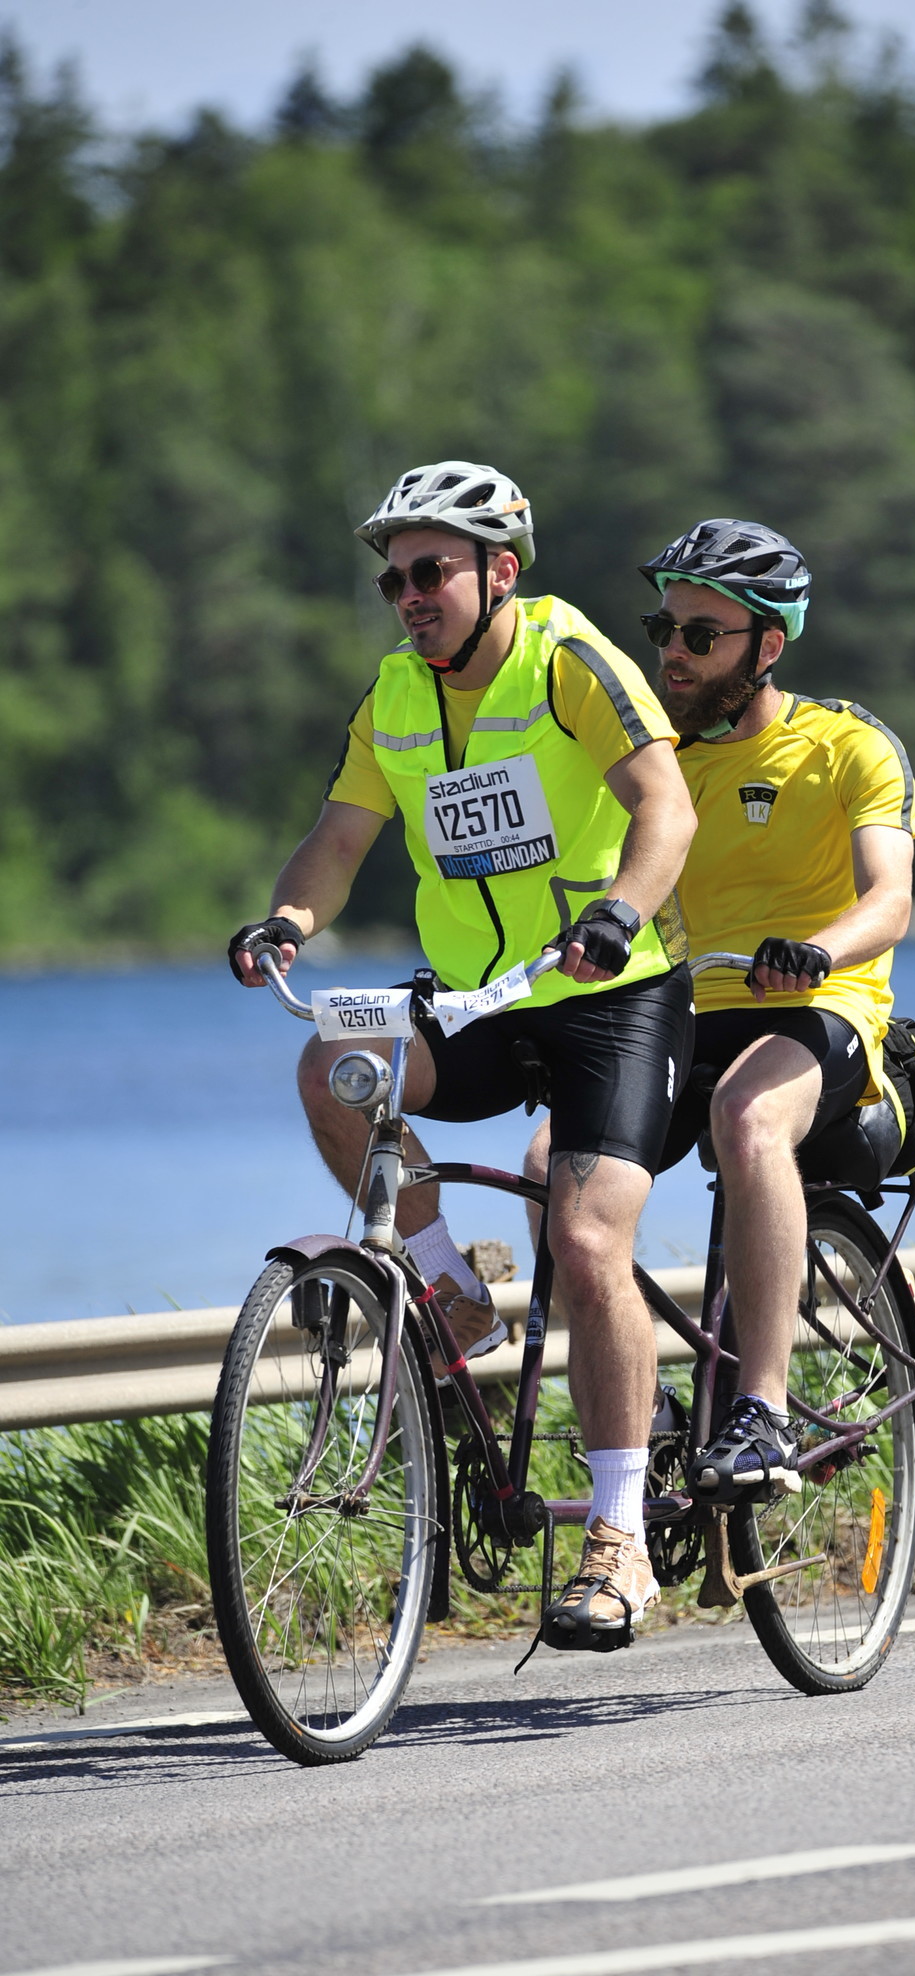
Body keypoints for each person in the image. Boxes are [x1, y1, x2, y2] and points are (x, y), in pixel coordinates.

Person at [227, 460, 697, 1646]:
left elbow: (667, 806)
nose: (409, 597)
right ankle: (449, 1287)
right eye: (393, 580)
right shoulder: (394, 693)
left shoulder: (569, 658)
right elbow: (338, 838)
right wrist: (287, 920)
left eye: (429, 571)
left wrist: (620, 912)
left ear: (500, 571)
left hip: (612, 991)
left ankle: (621, 1536)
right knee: (333, 1069)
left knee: (586, 1240)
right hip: (483, 998)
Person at [530, 517, 915, 1508]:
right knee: (547, 1165)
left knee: (747, 1116)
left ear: (768, 645)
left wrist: (819, 948)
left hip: (819, 1003)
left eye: (701, 635)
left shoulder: (847, 744)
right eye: (663, 629)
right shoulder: (656, 766)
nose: (673, 651)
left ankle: (763, 1409)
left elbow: (890, 898)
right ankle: (645, 1392)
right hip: (683, 1008)